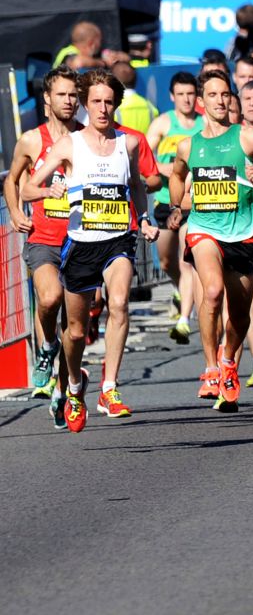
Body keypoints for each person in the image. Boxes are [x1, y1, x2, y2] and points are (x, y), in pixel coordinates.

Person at [23, 69, 160, 430]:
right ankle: (72, 386)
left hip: (118, 240)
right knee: (77, 332)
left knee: (118, 304)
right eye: (96, 101)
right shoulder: (69, 145)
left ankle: (110, 388)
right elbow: (27, 189)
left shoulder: (127, 143)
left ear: (117, 105)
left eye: (109, 102)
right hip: (81, 244)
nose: (102, 108)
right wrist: (48, 191)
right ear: (86, 103)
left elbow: (137, 184)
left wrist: (143, 217)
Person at [167, 70, 253, 413]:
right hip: (204, 230)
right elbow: (176, 177)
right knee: (213, 291)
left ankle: (229, 359)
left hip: (244, 233)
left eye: (225, 95)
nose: (220, 101)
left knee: (240, 313)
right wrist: (178, 202)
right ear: (201, 102)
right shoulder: (189, 145)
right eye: (213, 95)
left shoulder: (249, 137)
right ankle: (209, 368)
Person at [4, 66, 81, 400]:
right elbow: (12, 180)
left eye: (73, 95)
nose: (68, 100)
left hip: (84, 240)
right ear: (47, 99)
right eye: (61, 94)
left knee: (75, 328)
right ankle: (47, 347)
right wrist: (17, 211)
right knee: (49, 299)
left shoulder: (87, 138)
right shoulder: (33, 140)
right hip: (44, 237)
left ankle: (64, 392)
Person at [146, 72, 202, 345]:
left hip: (194, 201)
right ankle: (181, 288)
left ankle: (184, 319)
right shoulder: (163, 123)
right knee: (167, 261)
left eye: (190, 93)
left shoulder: (204, 124)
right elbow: (143, 158)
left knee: (185, 258)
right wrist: (166, 168)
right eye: (181, 94)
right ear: (172, 97)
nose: (186, 99)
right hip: (165, 200)